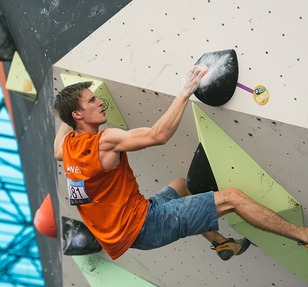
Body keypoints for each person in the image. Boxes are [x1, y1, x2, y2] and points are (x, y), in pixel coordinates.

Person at [52, 65, 308, 261]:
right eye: (91, 100)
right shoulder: (105, 141)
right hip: (147, 224)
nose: (99, 101)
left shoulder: (67, 146)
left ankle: (220, 242)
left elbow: (56, 150)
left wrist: (70, 113)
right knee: (233, 198)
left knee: (180, 185)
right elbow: (158, 135)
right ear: (78, 114)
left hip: (128, 232)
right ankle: (302, 235)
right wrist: (185, 91)